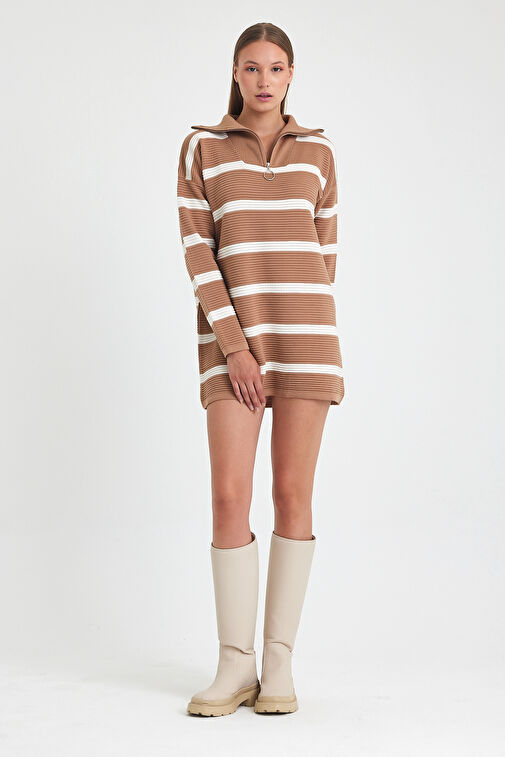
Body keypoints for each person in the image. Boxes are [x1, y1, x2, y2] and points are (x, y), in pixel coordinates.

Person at [176, 21, 344, 716]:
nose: (264, 79)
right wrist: (236, 345)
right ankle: (234, 664)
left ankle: (278, 664)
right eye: (252, 67)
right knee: (227, 495)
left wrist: (297, 328)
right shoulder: (203, 148)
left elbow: (324, 256)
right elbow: (197, 250)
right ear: (236, 73)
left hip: (306, 338)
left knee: (293, 495)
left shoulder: (319, 152)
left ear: (291, 74)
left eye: (276, 68)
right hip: (232, 344)